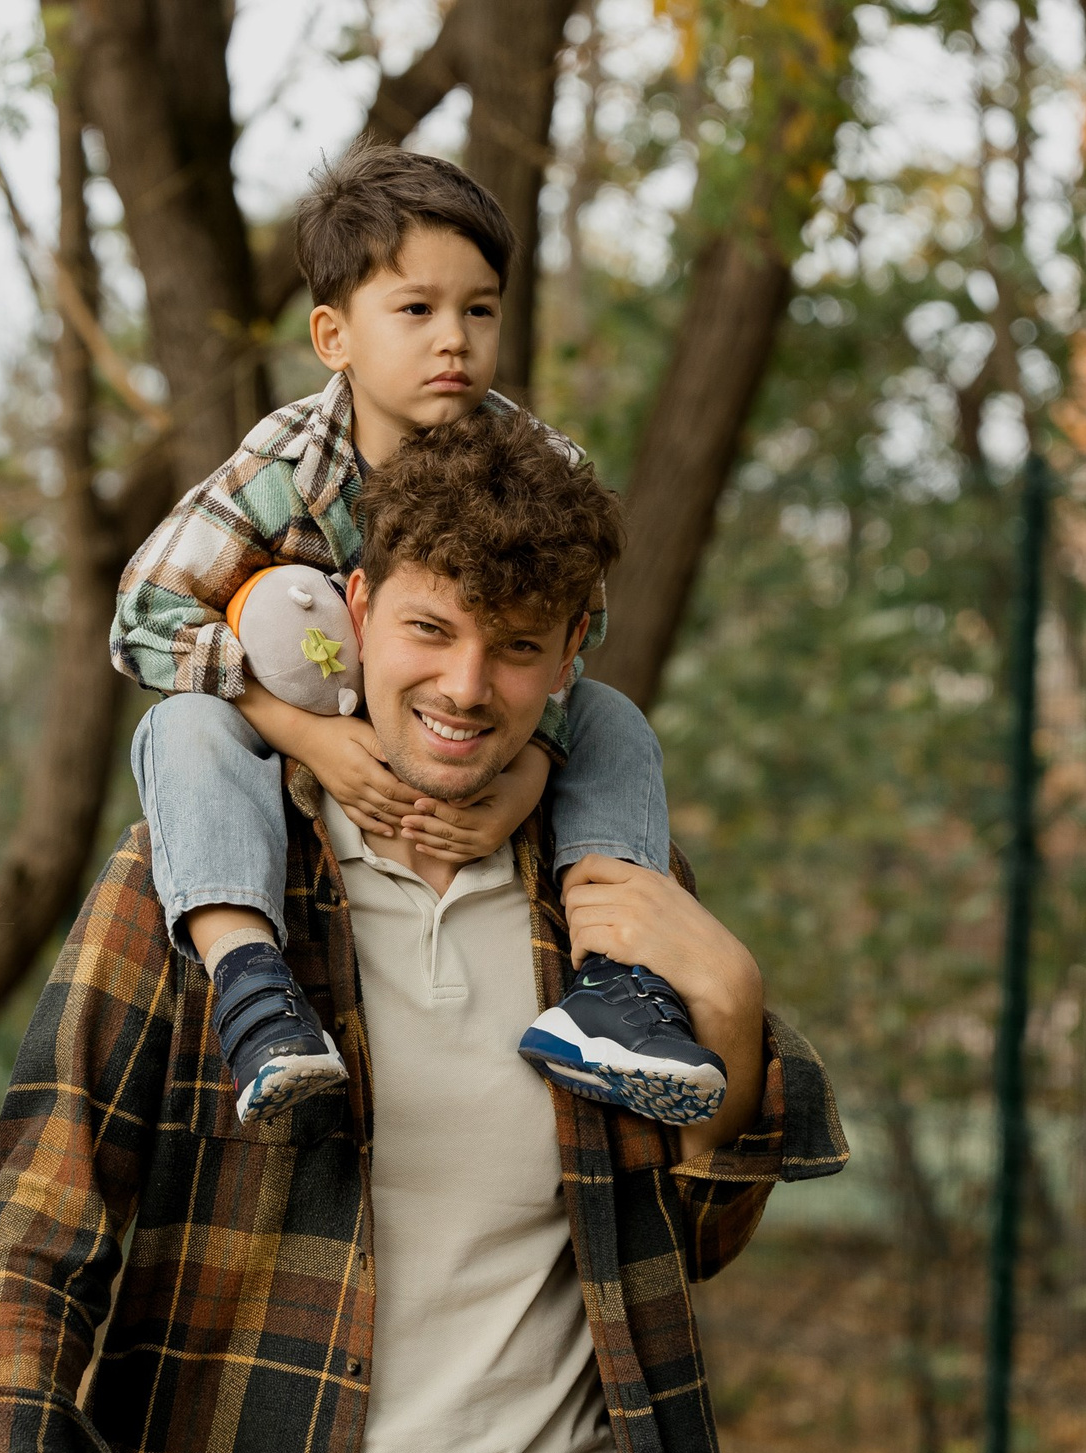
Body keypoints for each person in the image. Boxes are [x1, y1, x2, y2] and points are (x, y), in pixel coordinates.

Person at [0, 410, 847, 1453]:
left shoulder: (610, 884)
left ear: (571, 653)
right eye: (430, 630)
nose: (466, 686)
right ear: (356, 610)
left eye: (517, 647)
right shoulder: (210, 865)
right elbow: (49, 1205)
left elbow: (684, 1243)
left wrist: (729, 1016)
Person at [113, 143, 725, 1131]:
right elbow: (145, 611)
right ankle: (253, 984)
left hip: (476, 738)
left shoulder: (538, 466)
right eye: (416, 310)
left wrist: (528, 776)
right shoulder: (289, 465)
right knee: (182, 725)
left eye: (479, 311)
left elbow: (576, 638)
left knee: (613, 721)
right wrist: (307, 736)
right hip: (310, 723)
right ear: (333, 335)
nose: (454, 340)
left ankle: (613, 986)